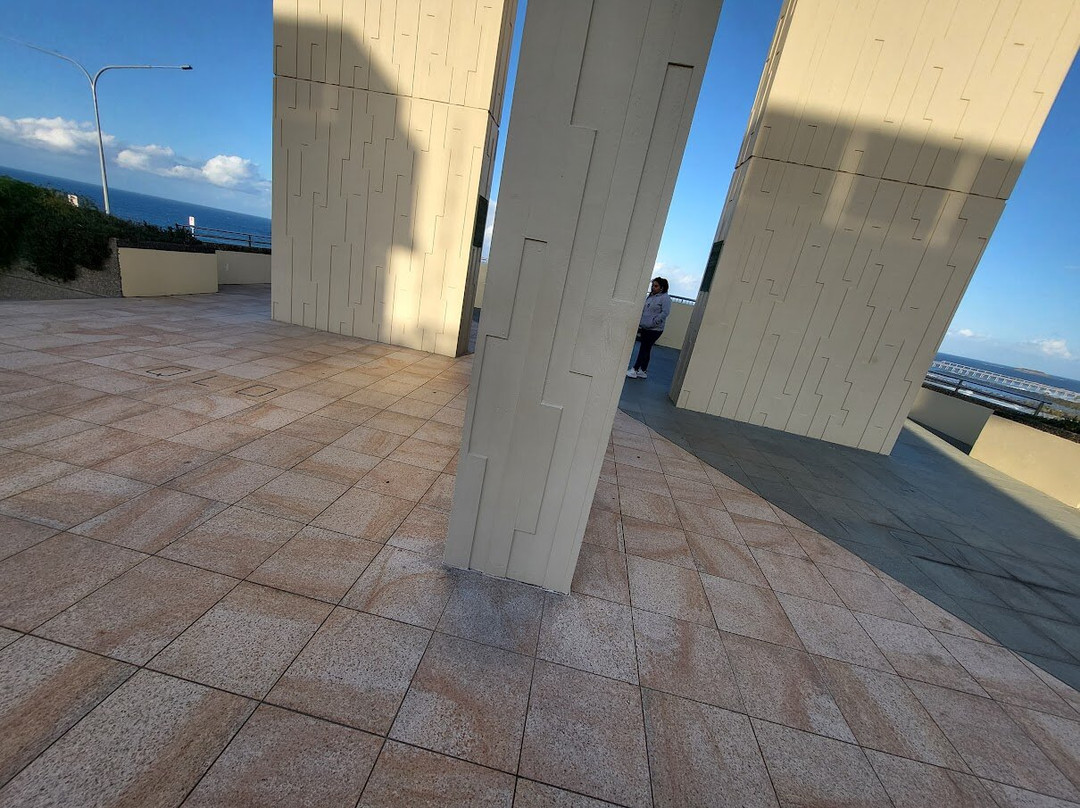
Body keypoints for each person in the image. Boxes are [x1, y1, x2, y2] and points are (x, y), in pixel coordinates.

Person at [627, 277, 670, 379]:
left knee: (644, 348)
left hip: (655, 329)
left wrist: (654, 322)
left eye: (656, 286)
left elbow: (665, 312)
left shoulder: (665, 298)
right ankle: (643, 370)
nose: (653, 287)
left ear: (662, 288)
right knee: (647, 348)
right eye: (653, 285)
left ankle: (635, 369)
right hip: (645, 327)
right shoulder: (650, 297)